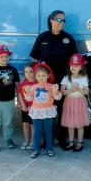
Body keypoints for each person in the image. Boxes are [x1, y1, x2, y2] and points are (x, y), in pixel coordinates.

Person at [30, 10, 77, 148]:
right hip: (46, 82)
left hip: (63, 81)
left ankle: (62, 139)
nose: (62, 22)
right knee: (46, 111)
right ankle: (46, 140)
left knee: (62, 110)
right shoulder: (42, 37)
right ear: (51, 20)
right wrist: (38, 74)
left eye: (64, 20)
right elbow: (33, 58)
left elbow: (74, 60)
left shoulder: (68, 38)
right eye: (59, 19)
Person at [26, 63, 62, 159]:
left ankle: (49, 148)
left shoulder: (51, 86)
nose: (40, 78)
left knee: (48, 131)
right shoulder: (33, 87)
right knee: (37, 131)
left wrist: (56, 91)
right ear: (35, 76)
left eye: (43, 75)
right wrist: (27, 92)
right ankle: (35, 149)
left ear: (48, 76)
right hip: (37, 113)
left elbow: (58, 98)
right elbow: (29, 99)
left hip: (47, 112)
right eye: (38, 75)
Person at [60, 53, 90, 152]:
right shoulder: (66, 77)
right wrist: (71, 91)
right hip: (69, 102)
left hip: (80, 102)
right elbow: (62, 91)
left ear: (81, 67)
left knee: (80, 124)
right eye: (72, 65)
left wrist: (79, 89)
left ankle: (80, 142)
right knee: (70, 123)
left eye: (76, 65)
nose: (74, 67)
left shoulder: (84, 77)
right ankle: (71, 141)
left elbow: (87, 92)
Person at [17, 64, 37, 150]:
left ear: (35, 72)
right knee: (25, 124)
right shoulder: (23, 83)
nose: (28, 74)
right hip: (25, 107)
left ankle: (33, 141)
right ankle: (26, 141)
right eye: (26, 72)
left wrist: (32, 106)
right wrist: (23, 104)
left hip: (34, 108)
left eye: (31, 72)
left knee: (32, 125)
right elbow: (20, 94)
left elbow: (39, 98)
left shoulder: (37, 83)